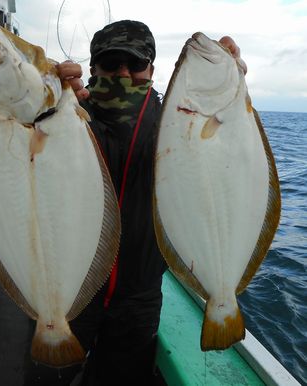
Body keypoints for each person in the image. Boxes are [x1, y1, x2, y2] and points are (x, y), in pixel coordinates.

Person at [24, 20, 246, 386]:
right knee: (48, 377)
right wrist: (42, 100)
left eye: (135, 64)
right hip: (70, 286)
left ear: (152, 71)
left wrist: (231, 90)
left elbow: (226, 160)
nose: (123, 73)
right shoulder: (68, 118)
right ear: (92, 68)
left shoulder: (177, 120)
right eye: (111, 63)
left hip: (139, 295)